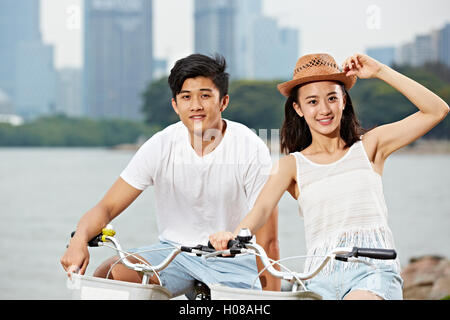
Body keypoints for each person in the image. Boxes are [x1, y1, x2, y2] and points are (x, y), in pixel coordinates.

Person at [209, 52, 449, 300]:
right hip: (318, 279)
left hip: (372, 272)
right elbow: (260, 210)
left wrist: (379, 71)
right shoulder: (291, 165)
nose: (324, 109)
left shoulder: (369, 146)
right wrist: (234, 235)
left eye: (332, 98)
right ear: (298, 108)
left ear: (343, 101)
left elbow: (436, 110)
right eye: (312, 102)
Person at [60, 53, 280, 298]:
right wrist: (78, 240)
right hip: (174, 254)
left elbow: (268, 238)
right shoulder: (161, 144)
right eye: (186, 97)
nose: (195, 105)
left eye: (205, 96)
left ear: (223, 101)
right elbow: (107, 207)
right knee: (110, 274)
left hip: (233, 258)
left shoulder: (249, 146)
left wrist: (272, 295)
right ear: (175, 105)